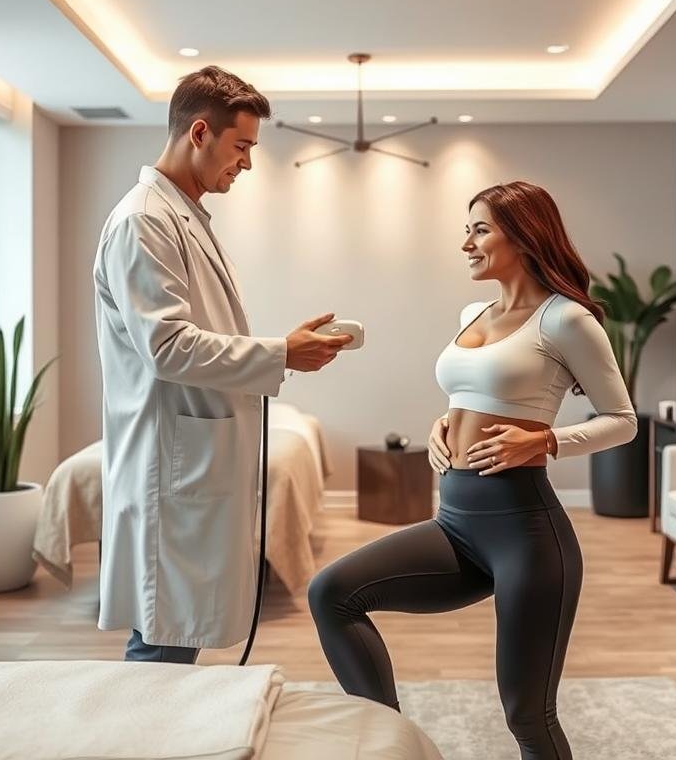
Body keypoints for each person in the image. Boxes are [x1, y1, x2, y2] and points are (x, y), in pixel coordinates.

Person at [307, 181, 637, 759]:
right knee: (331, 592)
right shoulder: (474, 311)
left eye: (480, 229)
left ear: (525, 235)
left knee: (528, 715)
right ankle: (394, 746)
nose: (466, 243)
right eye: (468, 229)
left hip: (525, 535)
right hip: (456, 523)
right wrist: (444, 424)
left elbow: (622, 419)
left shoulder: (567, 320)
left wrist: (548, 441)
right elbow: (473, 392)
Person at [93, 66, 352, 664]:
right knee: (163, 640)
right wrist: (283, 352)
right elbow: (167, 346)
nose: (248, 164)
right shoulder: (143, 220)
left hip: (192, 456)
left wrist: (283, 351)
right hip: (170, 464)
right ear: (200, 132)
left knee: (173, 633)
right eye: (243, 147)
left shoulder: (181, 214)